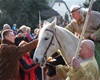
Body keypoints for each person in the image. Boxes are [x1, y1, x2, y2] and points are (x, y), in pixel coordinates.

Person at [65, 5, 100, 69]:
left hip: (96, 42)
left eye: (73, 14)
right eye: (71, 14)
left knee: (96, 59)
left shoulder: (93, 15)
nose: (72, 16)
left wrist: (96, 34)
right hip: (83, 44)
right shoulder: (74, 23)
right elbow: (65, 31)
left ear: (79, 12)